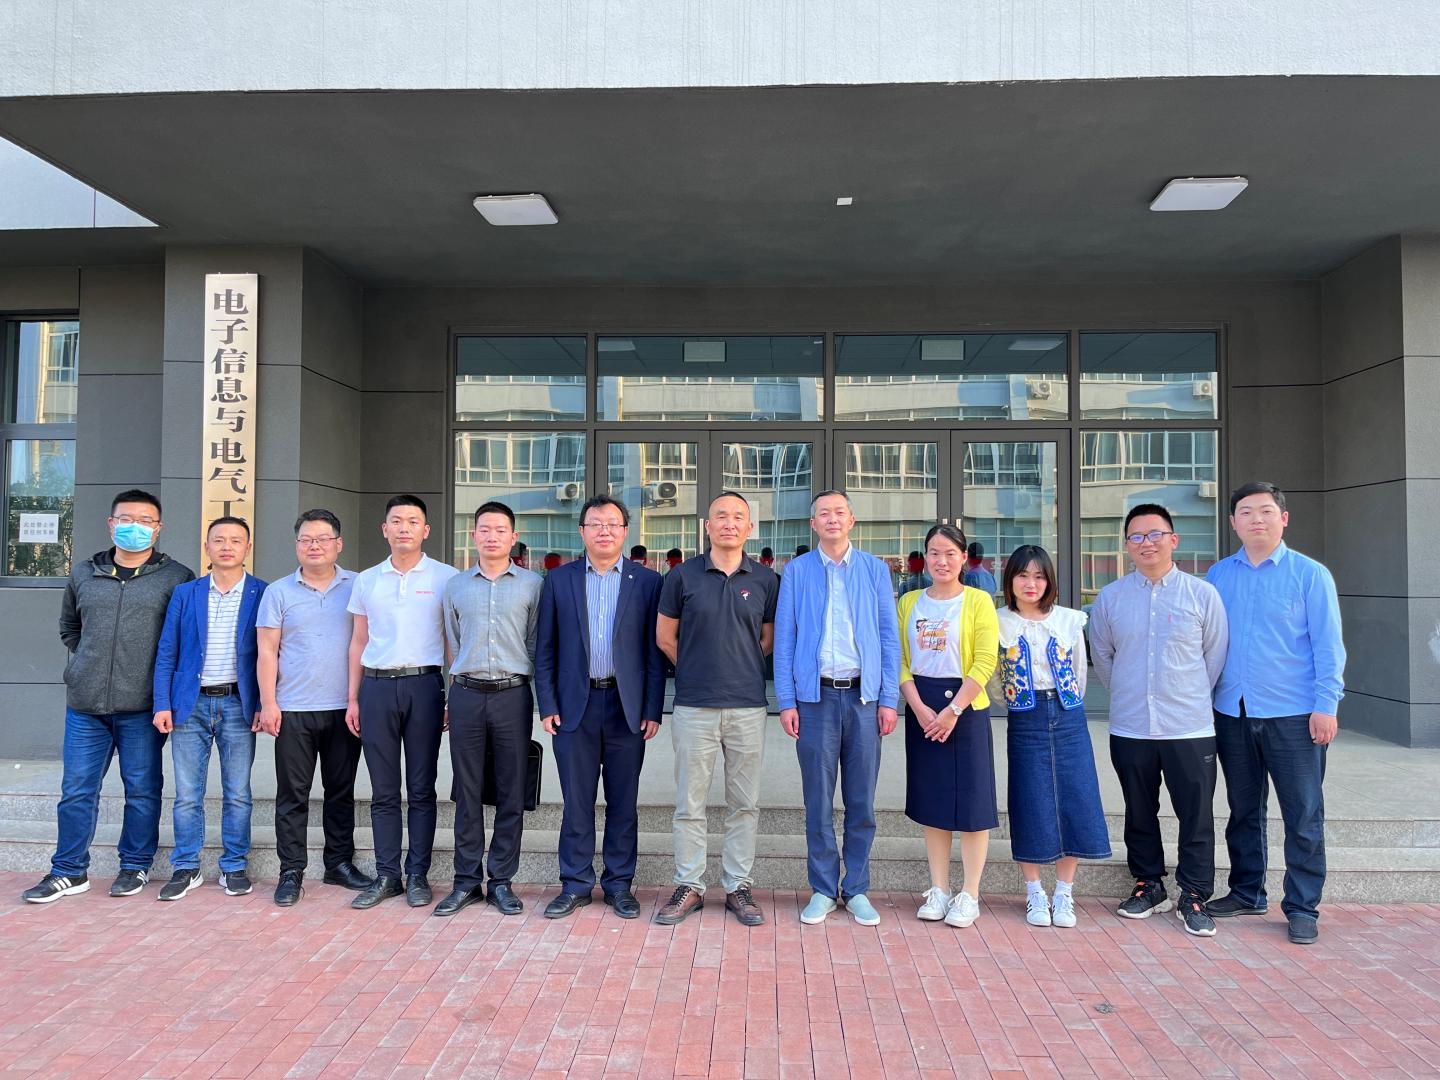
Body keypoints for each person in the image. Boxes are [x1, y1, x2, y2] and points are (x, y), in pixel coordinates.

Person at [23, 490, 194, 904]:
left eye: (145, 520)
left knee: (142, 790)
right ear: (111, 523)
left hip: (142, 706)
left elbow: (180, 640)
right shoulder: (84, 572)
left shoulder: (177, 577)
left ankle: (134, 865)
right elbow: (70, 627)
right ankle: (68, 870)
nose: (135, 527)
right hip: (86, 705)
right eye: (126, 519)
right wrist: (88, 663)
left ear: (158, 528)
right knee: (77, 791)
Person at [1205, 482, 1345, 946]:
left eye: (1266, 511)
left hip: (1295, 715)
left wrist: (1326, 706)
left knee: (1303, 814)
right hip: (1233, 711)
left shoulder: (1310, 575)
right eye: (1246, 512)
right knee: (1243, 810)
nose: (1256, 519)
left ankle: (1302, 906)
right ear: (1233, 522)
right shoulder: (1219, 576)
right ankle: (1247, 892)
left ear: (1283, 518)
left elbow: (1329, 646)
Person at [1089, 504, 1229, 938]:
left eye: (1155, 534)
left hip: (1189, 725)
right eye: (1136, 536)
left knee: (1196, 813)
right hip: (1131, 725)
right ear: (1126, 545)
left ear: (1173, 540)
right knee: (1138, 809)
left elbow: (1214, 658)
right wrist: (1130, 691)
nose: (1146, 543)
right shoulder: (1111, 598)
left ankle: (1194, 893)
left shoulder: (1202, 595)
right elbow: (1103, 658)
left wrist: (1183, 694)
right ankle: (1149, 884)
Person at [536, 495, 665, 920]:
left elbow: (653, 652)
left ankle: (618, 884)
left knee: (623, 802)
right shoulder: (560, 580)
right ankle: (575, 884)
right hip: (576, 706)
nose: (604, 530)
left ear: (625, 531)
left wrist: (652, 707)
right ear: (582, 531)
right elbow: (545, 648)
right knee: (577, 801)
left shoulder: (647, 582)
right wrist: (547, 703)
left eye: (612, 523)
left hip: (627, 708)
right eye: (595, 524)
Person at [774, 490, 900, 926]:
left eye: (839, 512)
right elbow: (785, 639)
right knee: (818, 800)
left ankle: (858, 887)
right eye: (823, 513)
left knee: (862, 801)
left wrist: (888, 699)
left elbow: (888, 637)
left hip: (864, 699)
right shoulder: (797, 571)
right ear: (813, 524)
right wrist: (787, 700)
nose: (832, 519)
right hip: (816, 700)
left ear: (852, 521)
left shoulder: (875, 570)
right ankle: (824, 888)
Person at [655, 491, 780, 926]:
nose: (729, 523)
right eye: (720, 516)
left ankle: (738, 886)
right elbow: (665, 638)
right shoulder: (681, 576)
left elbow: (767, 640)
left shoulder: (765, 579)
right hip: (695, 706)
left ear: (749, 528)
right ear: (707, 526)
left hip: (747, 706)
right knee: (690, 803)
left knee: (744, 803)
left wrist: (737, 667)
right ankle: (689, 884)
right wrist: (695, 668)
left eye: (737, 517)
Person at [347, 495, 459, 910]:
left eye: (413, 521)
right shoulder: (367, 580)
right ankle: (387, 875)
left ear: (426, 530)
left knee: (421, 786)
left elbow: (452, 643)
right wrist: (352, 697)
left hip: (425, 686)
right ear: (385, 529)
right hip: (376, 687)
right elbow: (358, 640)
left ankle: (418, 875)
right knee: (383, 789)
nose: (404, 527)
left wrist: (453, 694)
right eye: (396, 520)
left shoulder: (447, 578)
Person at [256, 509, 373, 907]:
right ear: (296, 545)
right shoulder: (278, 592)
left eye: (323, 539)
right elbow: (267, 650)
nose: (314, 546)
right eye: (306, 539)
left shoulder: (358, 585)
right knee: (293, 794)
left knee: (341, 791)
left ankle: (339, 863)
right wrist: (268, 703)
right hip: (293, 709)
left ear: (339, 544)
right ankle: (291, 871)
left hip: (344, 708)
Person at [435, 501, 542, 918]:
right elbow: (454, 642)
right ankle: (466, 881)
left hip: (513, 695)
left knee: (511, 790)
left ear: (513, 537)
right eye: (484, 529)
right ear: (473, 535)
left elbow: (534, 642)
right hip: (466, 693)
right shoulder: (456, 586)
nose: (492, 536)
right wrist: (454, 690)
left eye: (500, 530)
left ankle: (500, 881)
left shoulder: (533, 585)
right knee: (467, 790)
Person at [151, 516, 266, 900]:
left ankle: (234, 866)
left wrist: (264, 703)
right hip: (190, 704)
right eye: (219, 540)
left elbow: (272, 654)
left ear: (248, 548)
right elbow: (167, 651)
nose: (227, 546)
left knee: (238, 793)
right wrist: (162, 703)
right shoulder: (186, 593)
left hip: (238, 704)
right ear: (207, 547)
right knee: (187, 793)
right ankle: (186, 866)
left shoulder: (263, 593)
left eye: (235, 540)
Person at [997, 545, 1110, 928]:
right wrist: (1015, 699)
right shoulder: (998, 622)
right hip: (1024, 718)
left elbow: (1079, 672)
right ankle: (1034, 892)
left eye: (1039, 576)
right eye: (1023, 575)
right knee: (1030, 799)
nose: (1031, 584)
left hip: (1068, 716)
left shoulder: (1069, 620)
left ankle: (1064, 892)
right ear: (1010, 579)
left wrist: (1064, 702)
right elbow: (994, 679)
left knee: (1075, 798)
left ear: (1050, 581)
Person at [897, 524, 999, 929]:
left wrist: (953, 709)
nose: (942, 561)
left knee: (973, 804)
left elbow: (986, 660)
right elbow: (899, 658)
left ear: (964, 558)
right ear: (925, 557)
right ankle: (939, 889)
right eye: (935, 553)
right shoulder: (909, 601)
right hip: (922, 706)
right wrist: (918, 707)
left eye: (950, 553)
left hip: (966, 707)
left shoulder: (978, 601)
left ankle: (969, 894)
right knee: (934, 802)